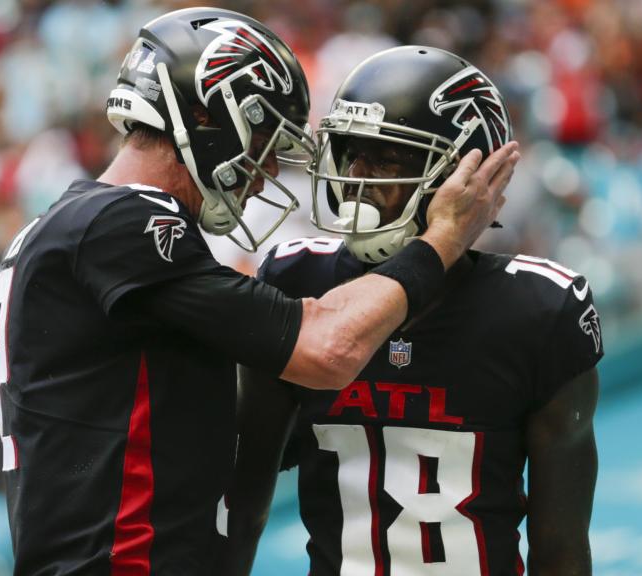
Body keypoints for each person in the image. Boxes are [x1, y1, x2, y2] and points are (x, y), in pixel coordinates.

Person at [0, 9, 519, 576]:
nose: (265, 173)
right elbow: (328, 348)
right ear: (204, 113)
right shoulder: (122, 222)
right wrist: (443, 237)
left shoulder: (85, 222)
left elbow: (187, 429)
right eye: (264, 141)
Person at [225, 46, 600, 576]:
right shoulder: (295, 280)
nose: (358, 178)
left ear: (470, 178)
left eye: (390, 158)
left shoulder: (539, 310)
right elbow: (240, 507)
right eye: (353, 154)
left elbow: (560, 550)